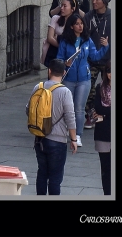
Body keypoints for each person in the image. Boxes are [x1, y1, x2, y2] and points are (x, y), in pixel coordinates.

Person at [26, 59, 78, 195]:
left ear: (49, 71)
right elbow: (70, 118)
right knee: (55, 178)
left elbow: (28, 110)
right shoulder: (65, 92)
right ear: (64, 73)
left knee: (42, 173)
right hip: (58, 141)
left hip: (39, 138)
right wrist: (73, 139)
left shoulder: (38, 87)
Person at [57, 13, 109, 146]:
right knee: (67, 107)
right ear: (72, 26)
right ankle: (65, 131)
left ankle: (78, 135)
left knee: (79, 108)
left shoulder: (87, 40)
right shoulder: (65, 41)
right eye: (77, 24)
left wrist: (105, 47)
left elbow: (95, 56)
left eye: (82, 24)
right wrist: (64, 64)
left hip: (84, 79)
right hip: (69, 78)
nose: (80, 26)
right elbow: (59, 58)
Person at [83, 0, 111, 129]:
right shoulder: (88, 17)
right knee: (88, 87)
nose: (94, 2)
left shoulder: (111, 17)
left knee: (109, 87)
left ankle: (108, 114)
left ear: (104, 2)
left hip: (108, 59)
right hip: (92, 59)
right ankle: (92, 115)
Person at [91, 63, 111, 195]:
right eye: (109, 71)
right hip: (102, 134)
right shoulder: (100, 88)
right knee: (105, 169)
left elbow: (104, 111)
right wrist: (104, 114)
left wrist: (104, 114)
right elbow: (96, 106)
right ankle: (107, 194)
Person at [43, 0, 77, 67]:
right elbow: (50, 38)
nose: (62, 8)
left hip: (69, 55)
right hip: (54, 52)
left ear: (72, 9)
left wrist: (58, 38)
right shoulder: (55, 18)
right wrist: (63, 47)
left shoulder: (76, 22)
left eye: (65, 6)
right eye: (61, 5)